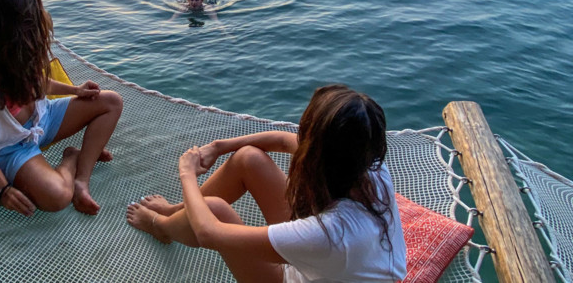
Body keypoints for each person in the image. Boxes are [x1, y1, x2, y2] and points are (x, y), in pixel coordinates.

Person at [127, 84, 407, 283]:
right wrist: (219, 146)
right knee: (249, 158)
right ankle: (178, 209)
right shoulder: (367, 168)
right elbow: (283, 141)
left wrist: (187, 174)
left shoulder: (331, 234)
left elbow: (209, 234)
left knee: (212, 210)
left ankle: (160, 227)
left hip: (307, 268)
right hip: (330, 264)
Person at [0, 0, 123, 216]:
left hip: (43, 118)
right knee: (57, 197)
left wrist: (75, 91)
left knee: (111, 102)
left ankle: (81, 180)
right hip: (11, 147)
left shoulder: (16, 52)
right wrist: (3, 188)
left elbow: (35, 82)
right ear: (17, 28)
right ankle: (71, 157)